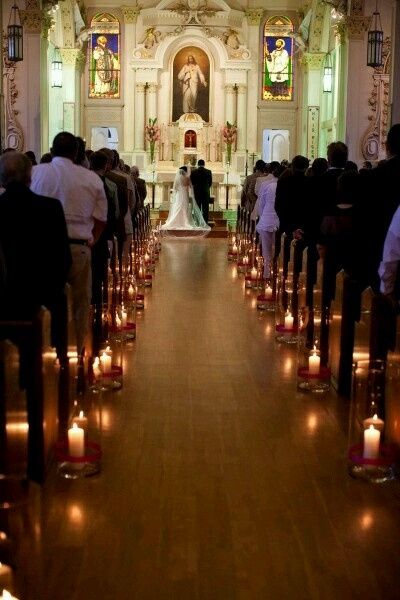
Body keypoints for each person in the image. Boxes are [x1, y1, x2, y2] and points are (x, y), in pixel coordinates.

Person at [30, 132, 107, 356]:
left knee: (43, 300)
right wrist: (90, 242)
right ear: (76, 153)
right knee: (81, 303)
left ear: (52, 151)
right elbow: (101, 219)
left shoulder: (36, 173)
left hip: (41, 250)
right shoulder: (91, 178)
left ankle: (45, 354)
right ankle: (78, 354)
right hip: (78, 247)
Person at [0, 151, 71, 355]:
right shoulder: (50, 208)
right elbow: (64, 259)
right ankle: (61, 365)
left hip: (5, 300)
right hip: (45, 295)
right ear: (29, 177)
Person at [161, 166, 210, 232]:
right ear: (185, 171)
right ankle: (184, 221)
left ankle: (175, 221)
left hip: (179, 195)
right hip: (184, 194)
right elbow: (190, 186)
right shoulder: (187, 178)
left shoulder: (178, 178)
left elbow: (175, 188)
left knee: (178, 206)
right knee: (184, 207)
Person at [190, 159, 212, 225]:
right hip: (205, 192)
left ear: (198, 164)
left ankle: (197, 222)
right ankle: (205, 222)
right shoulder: (208, 171)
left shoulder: (194, 172)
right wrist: (206, 188)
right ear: (204, 164)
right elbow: (210, 183)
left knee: (197, 207)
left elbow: (192, 182)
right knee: (205, 208)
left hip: (197, 192)